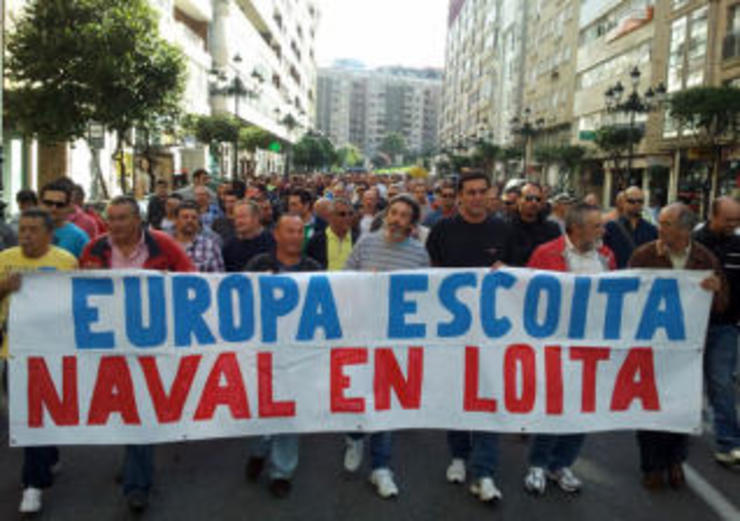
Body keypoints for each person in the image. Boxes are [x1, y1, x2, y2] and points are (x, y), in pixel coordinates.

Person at [79, 196, 194, 512]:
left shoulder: (164, 246)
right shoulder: (94, 250)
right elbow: (75, 292)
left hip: (151, 343)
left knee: (141, 408)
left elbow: (191, 281)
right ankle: (133, 458)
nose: (114, 225)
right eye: (110, 218)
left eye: (122, 218)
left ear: (138, 220)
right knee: (120, 405)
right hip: (109, 345)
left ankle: (137, 485)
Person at [426, 172, 514, 503]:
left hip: (493, 331)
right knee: (458, 394)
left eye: (482, 191)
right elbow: (431, 275)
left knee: (489, 394)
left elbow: (518, 273)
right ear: (460, 196)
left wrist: (507, 269)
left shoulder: (503, 229)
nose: (477, 197)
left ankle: (485, 471)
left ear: (490, 193)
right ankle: (459, 456)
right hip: (454, 332)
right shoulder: (442, 230)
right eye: (470, 192)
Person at [628, 203, 727, 490]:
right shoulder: (644, 255)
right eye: (660, 223)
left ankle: (675, 461)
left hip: (687, 352)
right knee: (648, 408)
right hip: (651, 348)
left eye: (667, 224)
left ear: (685, 229)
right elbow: (626, 298)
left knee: (681, 407)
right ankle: (651, 466)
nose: (660, 228)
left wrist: (715, 290)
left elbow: (722, 305)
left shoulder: (704, 259)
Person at [524, 203, 616, 495]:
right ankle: (538, 464)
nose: (603, 230)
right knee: (553, 404)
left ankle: (561, 464)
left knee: (582, 407)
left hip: (592, 345)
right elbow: (525, 292)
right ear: (576, 228)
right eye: (597, 226)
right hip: (554, 343)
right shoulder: (545, 253)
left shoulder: (606, 256)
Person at [342, 194, 430, 498]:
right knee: (358, 392)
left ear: (412, 222)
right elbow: (343, 279)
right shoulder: (366, 243)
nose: (396, 219)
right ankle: (354, 436)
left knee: (385, 400)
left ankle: (381, 467)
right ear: (386, 214)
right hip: (362, 333)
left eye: (404, 215)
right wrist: (363, 280)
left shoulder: (419, 253)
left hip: (396, 339)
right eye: (393, 212)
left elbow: (426, 294)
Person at [0, 208, 78, 515]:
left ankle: (33, 484)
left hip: (53, 349)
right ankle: (46, 457)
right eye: (22, 230)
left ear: (48, 234)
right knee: (26, 413)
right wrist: (5, 287)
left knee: (40, 412)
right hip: (13, 351)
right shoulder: (5, 259)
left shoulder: (65, 262)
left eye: (33, 230)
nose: (26, 236)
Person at [244, 215, 322, 499]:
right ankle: (259, 450)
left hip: (297, 353)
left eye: (300, 231)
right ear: (276, 234)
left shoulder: (314, 269)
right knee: (264, 407)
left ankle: (282, 472)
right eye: (290, 231)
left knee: (290, 410)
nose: (296, 236)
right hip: (263, 352)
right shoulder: (258, 265)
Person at [693, 197, 740, 465]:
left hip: (725, 327)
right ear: (713, 216)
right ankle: (677, 430)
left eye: (738, 220)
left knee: (721, 383)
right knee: (686, 382)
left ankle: (728, 443)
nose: (734, 225)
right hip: (691, 328)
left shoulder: (738, 244)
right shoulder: (694, 243)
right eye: (729, 220)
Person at [508, 182, 562, 266]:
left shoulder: (552, 229)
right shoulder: (505, 228)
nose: (534, 202)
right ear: (518, 200)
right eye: (529, 198)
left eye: (538, 199)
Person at [604, 186, 657, 268]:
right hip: (617, 275)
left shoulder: (651, 230)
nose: (636, 204)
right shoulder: (611, 228)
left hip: (642, 277)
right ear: (623, 202)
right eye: (631, 201)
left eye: (640, 201)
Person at [39, 179, 90, 258]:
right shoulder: (29, 231)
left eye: (60, 204)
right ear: (40, 204)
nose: (53, 208)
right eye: (48, 203)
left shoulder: (79, 237)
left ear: (69, 207)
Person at [222, 201, 276, 272]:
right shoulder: (229, 246)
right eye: (236, 217)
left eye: (243, 217)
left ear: (256, 218)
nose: (239, 221)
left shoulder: (273, 241)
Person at [172, 201, 224, 272]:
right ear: (175, 220)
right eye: (185, 217)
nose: (190, 220)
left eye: (194, 218)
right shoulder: (165, 246)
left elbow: (218, 277)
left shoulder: (210, 246)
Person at [305, 198, 357, 270]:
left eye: (350, 214)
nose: (347, 217)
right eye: (342, 214)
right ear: (331, 216)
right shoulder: (316, 240)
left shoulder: (358, 240)